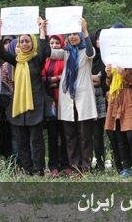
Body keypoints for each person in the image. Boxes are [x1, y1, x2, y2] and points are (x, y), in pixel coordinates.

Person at [0, 18, 50, 176]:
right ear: (18, 44)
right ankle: (27, 169)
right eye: (21, 41)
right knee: (22, 140)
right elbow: (1, 52)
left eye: (27, 41)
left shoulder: (37, 59)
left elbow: (45, 50)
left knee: (37, 140)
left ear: (32, 43)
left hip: (35, 105)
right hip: (18, 105)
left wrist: (41, 29)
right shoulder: (16, 60)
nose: (25, 44)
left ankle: (38, 169)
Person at [51, 17, 97, 174]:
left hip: (84, 99)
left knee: (85, 135)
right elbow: (47, 51)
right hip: (68, 98)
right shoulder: (65, 53)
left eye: (75, 34)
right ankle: (75, 166)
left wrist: (85, 31)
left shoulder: (86, 52)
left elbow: (91, 52)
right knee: (70, 135)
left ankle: (85, 167)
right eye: (69, 34)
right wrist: (43, 31)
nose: (72, 36)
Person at [41, 34, 71, 177]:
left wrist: (56, 79)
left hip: (65, 101)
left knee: (66, 134)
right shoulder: (45, 60)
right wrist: (51, 80)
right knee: (53, 134)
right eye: (51, 43)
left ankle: (66, 164)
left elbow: (69, 76)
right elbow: (41, 77)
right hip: (50, 102)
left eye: (56, 43)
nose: (54, 46)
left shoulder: (66, 58)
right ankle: (53, 165)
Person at [90, 29, 107, 172]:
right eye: (97, 38)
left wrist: (95, 78)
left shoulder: (107, 57)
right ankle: (98, 163)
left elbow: (101, 79)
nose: (99, 41)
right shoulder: (90, 57)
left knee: (111, 133)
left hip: (105, 97)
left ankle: (112, 162)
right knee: (94, 134)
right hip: (90, 98)